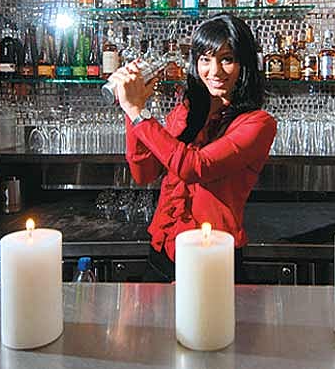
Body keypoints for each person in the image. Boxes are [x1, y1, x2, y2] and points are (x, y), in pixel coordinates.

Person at [108, 14, 277, 282]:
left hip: (212, 257)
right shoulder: (185, 112)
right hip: (163, 250)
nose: (215, 71)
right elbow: (144, 173)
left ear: (244, 64)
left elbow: (195, 167)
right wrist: (133, 111)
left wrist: (137, 112)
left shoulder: (258, 124)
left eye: (227, 59)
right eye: (205, 59)